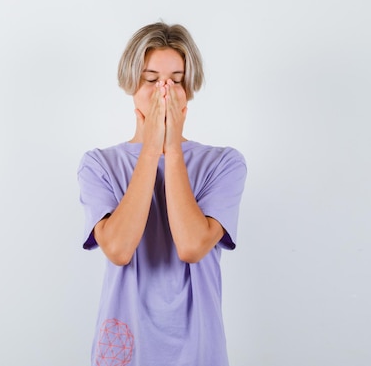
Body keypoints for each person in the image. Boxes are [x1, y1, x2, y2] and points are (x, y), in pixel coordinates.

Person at [77, 22, 247, 366]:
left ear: (190, 87)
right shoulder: (98, 165)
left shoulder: (224, 163)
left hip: (199, 349)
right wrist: (152, 146)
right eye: (151, 79)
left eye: (176, 80)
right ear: (132, 84)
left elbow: (191, 246)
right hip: (125, 348)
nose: (163, 91)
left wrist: (172, 146)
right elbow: (119, 249)